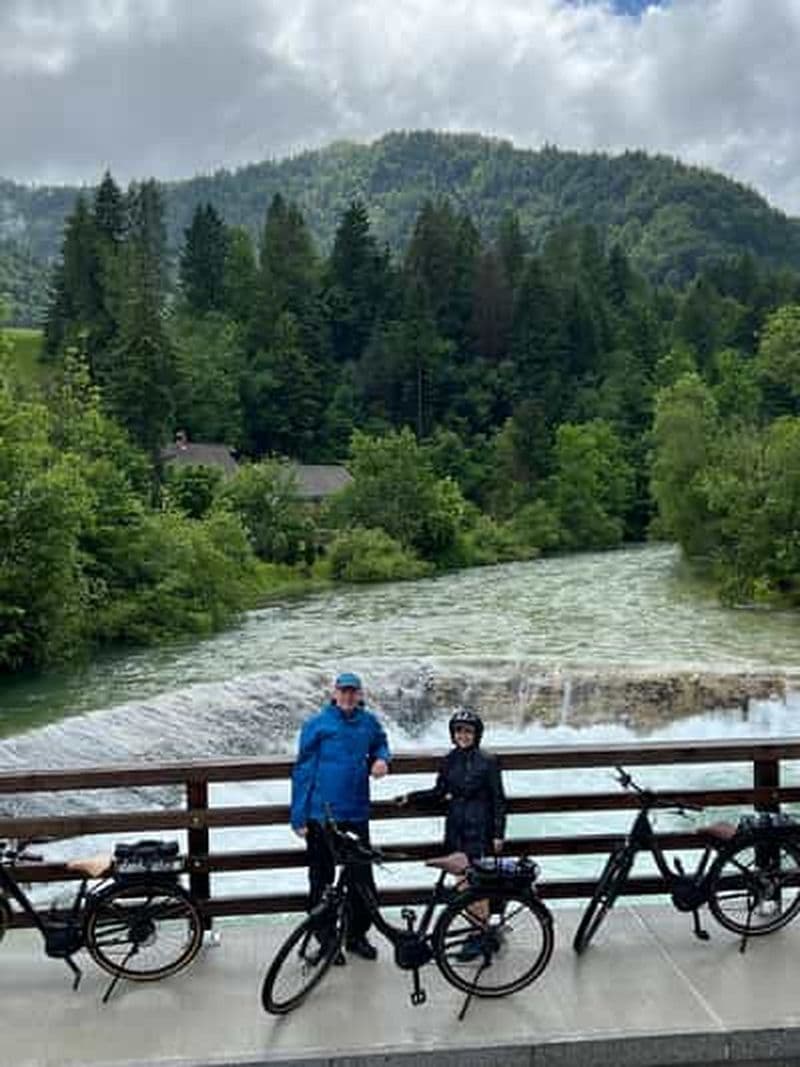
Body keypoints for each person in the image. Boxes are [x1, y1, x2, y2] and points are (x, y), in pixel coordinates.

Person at [290, 671, 390, 961]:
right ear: (334, 693)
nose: (347, 696)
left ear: (359, 695)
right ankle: (327, 941)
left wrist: (382, 759)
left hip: (356, 813)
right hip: (322, 816)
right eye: (343, 691)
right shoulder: (316, 725)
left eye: (352, 692)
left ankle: (356, 936)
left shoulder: (369, 723)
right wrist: (298, 816)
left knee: (362, 879)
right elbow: (303, 771)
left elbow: (380, 743)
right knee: (322, 880)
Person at [395, 708, 505, 960]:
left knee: (479, 884)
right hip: (456, 826)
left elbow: (499, 800)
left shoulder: (488, 761)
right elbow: (438, 791)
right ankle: (476, 931)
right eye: (458, 731)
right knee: (462, 884)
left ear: (477, 734)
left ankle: (481, 935)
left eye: (468, 731)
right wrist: (411, 797)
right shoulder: (449, 760)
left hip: (481, 828)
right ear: (452, 734)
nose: (463, 735)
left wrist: (498, 833)